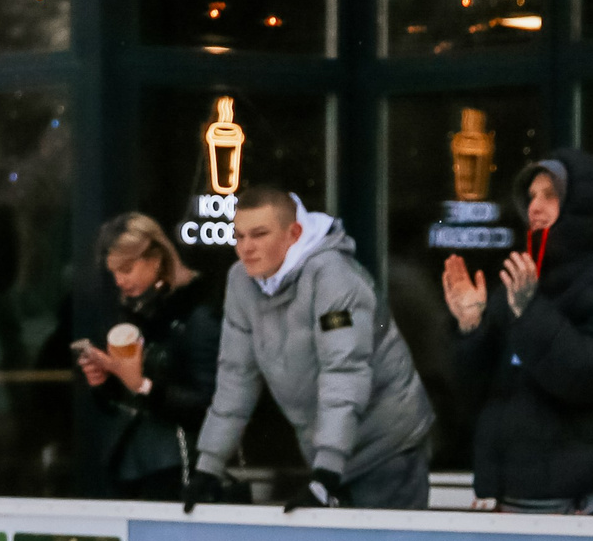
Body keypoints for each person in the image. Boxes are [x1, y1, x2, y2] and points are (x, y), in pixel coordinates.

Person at [188, 186, 436, 511]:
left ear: (294, 233)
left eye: (259, 234)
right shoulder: (241, 281)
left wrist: (326, 470)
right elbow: (236, 377)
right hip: (329, 454)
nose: (246, 248)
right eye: (239, 236)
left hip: (386, 448)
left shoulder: (333, 276)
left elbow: (344, 371)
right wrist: (208, 466)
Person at [440, 149, 593, 514]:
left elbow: (588, 374)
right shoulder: (525, 276)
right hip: (510, 498)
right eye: (532, 196)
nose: (535, 206)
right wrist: (472, 324)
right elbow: (476, 392)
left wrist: (529, 310)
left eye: (550, 195)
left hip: (580, 503)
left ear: (584, 204)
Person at [74, 212, 222, 501]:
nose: (119, 281)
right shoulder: (137, 309)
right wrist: (104, 382)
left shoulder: (199, 315)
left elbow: (211, 404)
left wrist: (143, 386)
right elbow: (125, 397)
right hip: (130, 459)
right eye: (114, 272)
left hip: (178, 465)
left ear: (156, 260)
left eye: (126, 269)